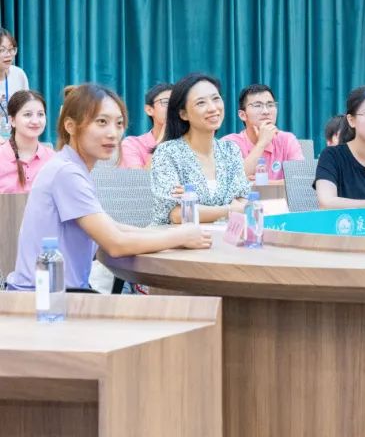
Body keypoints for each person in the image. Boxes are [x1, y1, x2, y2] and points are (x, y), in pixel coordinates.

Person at [5, 84, 211, 292]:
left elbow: (112, 226)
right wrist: (180, 237)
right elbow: (115, 243)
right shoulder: (66, 173)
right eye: (101, 122)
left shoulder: (71, 167)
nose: (113, 133)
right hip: (43, 299)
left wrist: (173, 233)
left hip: (56, 293)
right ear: (70, 126)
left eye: (119, 123)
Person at [150, 73, 251, 224]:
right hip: (178, 237)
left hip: (224, 236)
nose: (213, 108)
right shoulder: (167, 152)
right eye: (201, 103)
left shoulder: (230, 150)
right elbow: (177, 214)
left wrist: (195, 206)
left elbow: (242, 200)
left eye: (216, 99)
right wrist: (230, 210)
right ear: (183, 114)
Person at [222, 83, 303, 180]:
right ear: (242, 115)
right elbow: (231, 183)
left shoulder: (287, 140)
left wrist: (258, 183)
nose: (266, 111)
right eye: (257, 105)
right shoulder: (229, 143)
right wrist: (262, 143)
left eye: (270, 105)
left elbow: (299, 182)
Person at [0, 90, 55, 193]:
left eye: (40, 114)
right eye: (27, 114)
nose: (35, 121)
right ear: (12, 121)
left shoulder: (53, 159)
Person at [119, 83, 172, 168]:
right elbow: (139, 177)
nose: (173, 107)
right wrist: (160, 143)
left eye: (177, 103)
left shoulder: (188, 143)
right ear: (149, 110)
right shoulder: (132, 144)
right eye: (166, 102)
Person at [0, 28, 30, 140]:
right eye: (2, 50)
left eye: (11, 49)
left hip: (15, 138)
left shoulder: (19, 74)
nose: (8, 55)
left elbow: (26, 108)